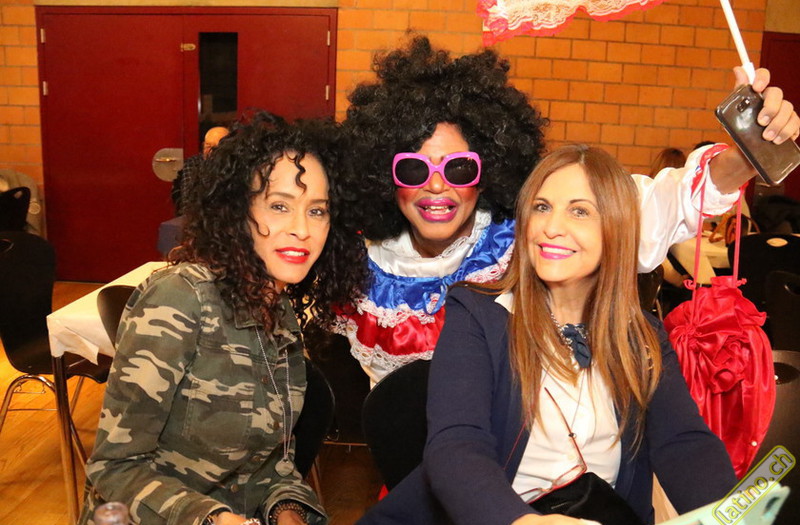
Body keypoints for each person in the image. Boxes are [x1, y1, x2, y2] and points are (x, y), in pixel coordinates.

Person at [335, 35, 800, 386]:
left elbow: (644, 208)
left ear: (488, 170)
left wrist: (746, 154)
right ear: (384, 175)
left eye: (459, 167)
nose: (437, 185)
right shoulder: (364, 269)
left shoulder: (530, 234)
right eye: (413, 168)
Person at [355, 145, 773, 525]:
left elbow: (683, 444)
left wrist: (737, 521)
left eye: (580, 211)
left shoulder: (642, 335)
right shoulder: (477, 316)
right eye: (542, 207)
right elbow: (458, 447)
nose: (551, 227)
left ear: (616, 228)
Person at [77, 112, 367, 525]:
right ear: (237, 211)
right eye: (279, 206)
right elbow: (114, 469)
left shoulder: (280, 313)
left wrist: (289, 514)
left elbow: (271, 463)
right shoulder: (181, 299)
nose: (302, 229)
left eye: (317, 211)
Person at [171, 126, 231, 215]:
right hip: (201, 216)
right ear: (203, 145)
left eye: (217, 147)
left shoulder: (234, 164)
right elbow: (189, 200)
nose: (211, 151)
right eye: (208, 146)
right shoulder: (194, 164)